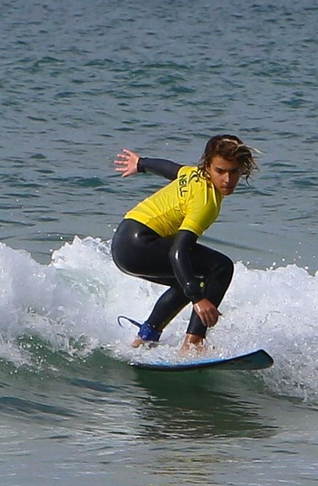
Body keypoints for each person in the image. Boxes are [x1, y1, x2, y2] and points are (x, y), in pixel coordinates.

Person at [111, 134, 259, 351]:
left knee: (187, 277)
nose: (227, 179)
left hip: (123, 243)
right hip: (141, 244)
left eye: (234, 171)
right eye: (220, 171)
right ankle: (193, 343)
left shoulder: (192, 174)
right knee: (220, 267)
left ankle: (145, 338)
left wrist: (141, 164)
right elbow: (178, 251)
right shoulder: (205, 202)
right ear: (207, 166)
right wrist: (198, 299)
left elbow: (169, 169)